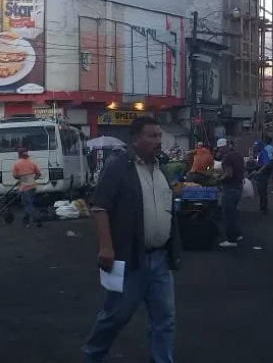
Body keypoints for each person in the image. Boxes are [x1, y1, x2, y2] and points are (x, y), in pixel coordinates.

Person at [83, 117, 181, 363]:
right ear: (136, 139)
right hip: (129, 260)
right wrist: (106, 246)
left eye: (159, 136)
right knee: (115, 316)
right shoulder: (118, 167)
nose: (157, 141)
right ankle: (93, 356)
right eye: (151, 136)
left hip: (160, 259)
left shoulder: (161, 168)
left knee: (164, 320)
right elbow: (100, 207)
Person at [217, 138, 245, 248]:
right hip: (238, 187)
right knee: (234, 213)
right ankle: (237, 235)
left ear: (223, 147)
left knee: (228, 215)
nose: (219, 151)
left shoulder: (227, 157)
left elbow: (229, 174)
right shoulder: (237, 155)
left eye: (219, 149)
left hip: (230, 188)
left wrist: (219, 179)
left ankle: (231, 240)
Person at [12, 147, 43, 228]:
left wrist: (23, 178)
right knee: (30, 204)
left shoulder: (17, 163)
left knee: (27, 204)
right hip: (33, 185)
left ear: (19, 154)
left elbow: (15, 176)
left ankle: (38, 217)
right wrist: (32, 178)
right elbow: (39, 174)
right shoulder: (32, 163)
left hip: (24, 187)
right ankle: (26, 221)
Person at [252, 140, 273, 213]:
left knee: (263, 191)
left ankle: (264, 207)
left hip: (263, 174)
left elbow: (266, 164)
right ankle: (262, 206)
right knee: (261, 191)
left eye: (256, 146)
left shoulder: (263, 152)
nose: (255, 147)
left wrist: (260, 171)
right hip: (260, 174)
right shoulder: (260, 152)